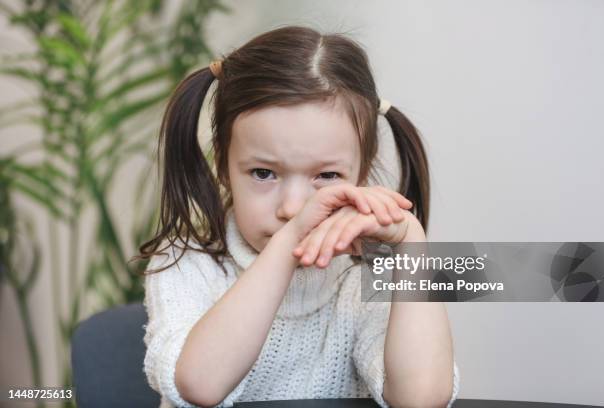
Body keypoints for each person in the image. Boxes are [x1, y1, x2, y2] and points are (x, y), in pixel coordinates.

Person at [137, 25, 460, 408]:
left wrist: (411, 246)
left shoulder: (368, 271)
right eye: (263, 173)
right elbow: (199, 387)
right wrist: (289, 243)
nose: (293, 208)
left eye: (326, 176)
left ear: (361, 173)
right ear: (224, 166)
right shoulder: (189, 263)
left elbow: (422, 400)